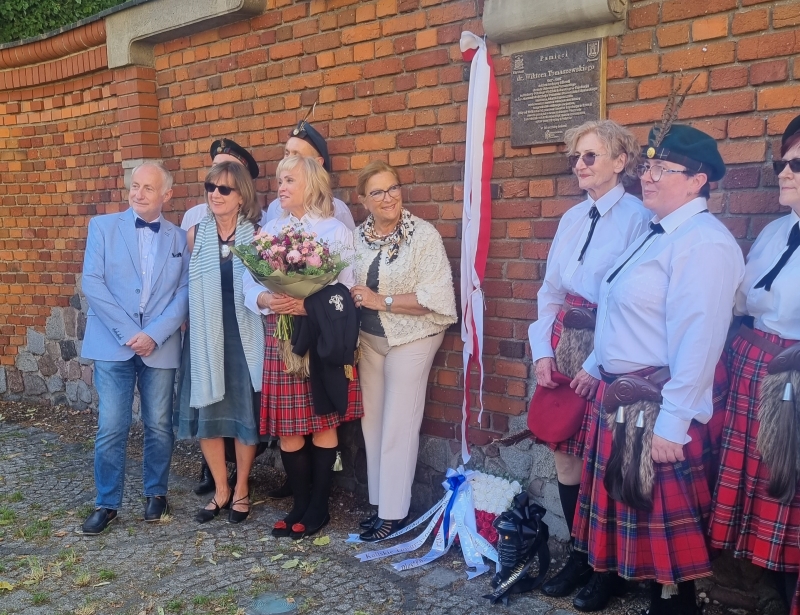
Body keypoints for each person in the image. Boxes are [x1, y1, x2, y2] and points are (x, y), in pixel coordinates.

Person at [569, 124, 744, 614]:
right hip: (624, 395)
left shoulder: (704, 244)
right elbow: (622, 309)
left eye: (662, 169)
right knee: (634, 517)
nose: (647, 176)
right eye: (647, 166)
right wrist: (595, 363)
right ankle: (644, 593)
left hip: (657, 401)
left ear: (698, 180)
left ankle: (674, 605)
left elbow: (699, 340)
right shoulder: (655, 231)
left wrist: (674, 422)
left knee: (663, 531)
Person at [527, 121, 650, 596]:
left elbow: (631, 303)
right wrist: (543, 350)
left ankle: (607, 570)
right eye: (576, 157)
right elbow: (550, 291)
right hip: (564, 341)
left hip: (610, 346)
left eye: (590, 156)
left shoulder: (639, 218)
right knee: (565, 454)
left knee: (602, 459)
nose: (579, 164)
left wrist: (596, 363)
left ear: (620, 161)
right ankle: (580, 556)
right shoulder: (572, 218)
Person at [709, 114, 800, 614]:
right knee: (759, 484)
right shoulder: (772, 232)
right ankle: (765, 584)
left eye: (798, 165)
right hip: (753, 367)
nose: (784, 172)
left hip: (794, 376)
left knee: (791, 483)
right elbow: (742, 303)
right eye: (782, 163)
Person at [244, 155, 362, 539]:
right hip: (282, 337)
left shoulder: (335, 231)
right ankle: (299, 503)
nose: (281, 187)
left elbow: (346, 289)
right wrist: (266, 298)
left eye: (289, 180)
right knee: (289, 427)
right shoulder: (270, 230)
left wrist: (309, 304)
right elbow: (249, 283)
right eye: (280, 180)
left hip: (320, 337)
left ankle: (319, 507)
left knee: (322, 421)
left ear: (311, 184)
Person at [350, 161, 457, 541]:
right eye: (377, 192)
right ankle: (380, 504)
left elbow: (438, 296)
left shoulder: (422, 236)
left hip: (414, 336)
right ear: (363, 200)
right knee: (372, 422)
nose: (388, 197)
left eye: (393, 188)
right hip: (368, 340)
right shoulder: (356, 238)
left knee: (398, 423)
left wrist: (380, 300)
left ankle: (394, 514)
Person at [79, 162, 189, 534]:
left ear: (167, 195)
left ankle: (156, 494)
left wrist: (154, 334)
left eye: (148, 188)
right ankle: (107, 503)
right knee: (112, 425)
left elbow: (184, 293)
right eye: (135, 186)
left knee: (159, 424)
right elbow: (92, 283)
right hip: (113, 343)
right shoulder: (102, 227)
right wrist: (130, 333)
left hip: (160, 344)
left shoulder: (179, 238)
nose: (138, 193)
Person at [176, 161, 265, 524]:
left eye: (224, 189)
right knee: (208, 415)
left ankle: (242, 488)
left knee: (244, 415)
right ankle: (221, 489)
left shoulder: (257, 237)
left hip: (245, 337)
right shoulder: (194, 235)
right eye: (210, 187)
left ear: (241, 196)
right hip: (204, 337)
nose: (215, 194)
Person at [262, 119, 355, 230]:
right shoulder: (274, 208)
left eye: (297, 155)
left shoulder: (338, 210)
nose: (288, 160)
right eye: (287, 153)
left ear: (318, 163)